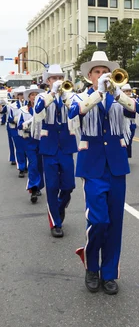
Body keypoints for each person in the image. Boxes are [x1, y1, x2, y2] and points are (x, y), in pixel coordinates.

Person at [68, 51, 137, 295]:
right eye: (97, 71)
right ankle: (91, 265)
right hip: (93, 165)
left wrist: (116, 92)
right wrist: (98, 92)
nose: (102, 75)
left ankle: (109, 273)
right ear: (89, 76)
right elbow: (74, 113)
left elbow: (133, 109)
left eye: (105, 71)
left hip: (116, 164)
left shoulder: (119, 96)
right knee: (98, 220)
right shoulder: (79, 96)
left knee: (115, 223)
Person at [33, 65, 77, 238]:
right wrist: (52, 93)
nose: (58, 80)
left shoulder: (71, 95)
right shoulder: (42, 96)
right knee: (52, 186)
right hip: (49, 146)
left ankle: (59, 207)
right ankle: (56, 223)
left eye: (60, 77)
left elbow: (76, 113)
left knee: (69, 186)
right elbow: (37, 110)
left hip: (66, 145)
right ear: (48, 81)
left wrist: (65, 97)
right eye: (53, 78)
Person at [18, 85, 44, 203]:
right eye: (32, 95)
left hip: (42, 141)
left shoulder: (44, 109)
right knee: (33, 164)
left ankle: (38, 186)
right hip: (29, 141)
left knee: (40, 165)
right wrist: (26, 125)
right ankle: (33, 188)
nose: (34, 97)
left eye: (36, 95)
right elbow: (19, 125)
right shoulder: (23, 110)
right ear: (28, 97)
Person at [7, 86, 27, 177]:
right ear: (17, 95)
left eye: (23, 94)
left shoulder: (30, 105)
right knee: (19, 149)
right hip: (16, 130)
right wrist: (16, 120)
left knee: (28, 149)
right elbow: (10, 118)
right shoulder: (12, 106)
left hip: (28, 131)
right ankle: (21, 168)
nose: (22, 96)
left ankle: (26, 166)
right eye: (20, 94)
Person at [121, 83, 139, 159]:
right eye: (126, 91)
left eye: (129, 91)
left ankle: (126, 157)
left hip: (131, 124)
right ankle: (122, 157)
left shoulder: (134, 101)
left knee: (129, 142)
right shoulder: (118, 101)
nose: (128, 93)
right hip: (121, 125)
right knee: (122, 142)